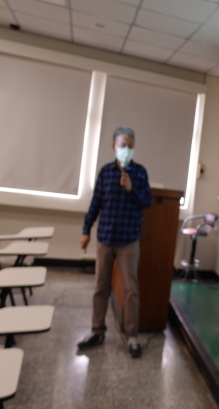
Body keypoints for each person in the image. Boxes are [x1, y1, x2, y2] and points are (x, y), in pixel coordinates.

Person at [77, 126, 152, 358]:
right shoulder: (105, 172)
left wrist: (131, 189)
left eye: (130, 145)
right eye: (122, 145)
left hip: (129, 240)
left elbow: (147, 202)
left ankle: (132, 336)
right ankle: (97, 331)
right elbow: (96, 203)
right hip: (106, 238)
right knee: (100, 287)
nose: (126, 149)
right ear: (113, 147)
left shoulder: (140, 173)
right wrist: (86, 230)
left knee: (130, 290)